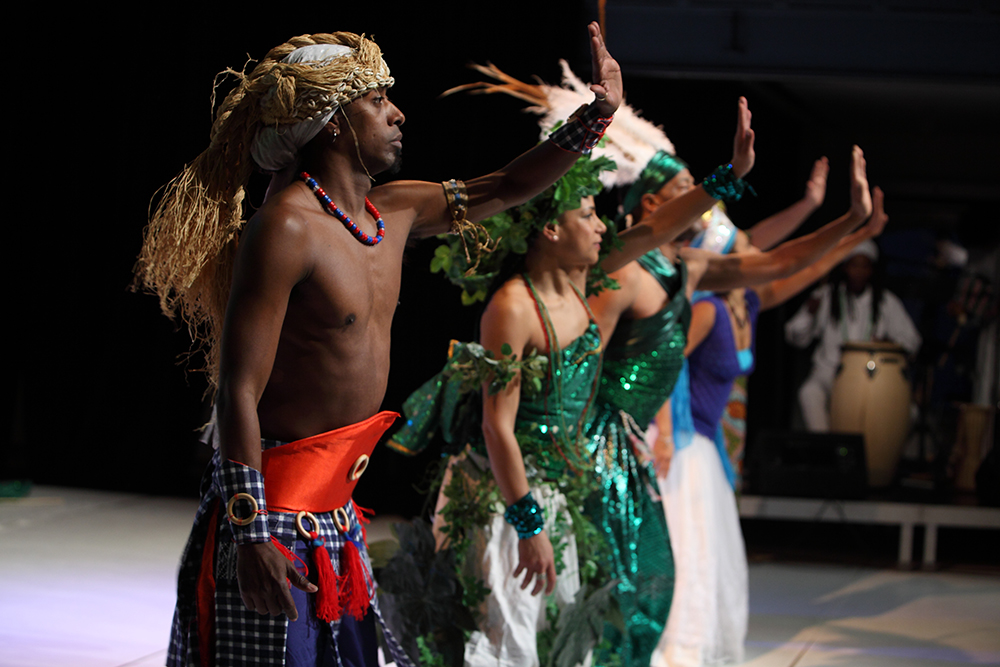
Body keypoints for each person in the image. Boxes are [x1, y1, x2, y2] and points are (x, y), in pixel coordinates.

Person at [134, 26, 623, 667]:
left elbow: (506, 186)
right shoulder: (286, 227)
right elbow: (237, 391)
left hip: (337, 510)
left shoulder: (393, 211)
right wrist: (250, 532)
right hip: (272, 510)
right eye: (377, 100)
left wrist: (597, 116)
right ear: (333, 122)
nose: (398, 114)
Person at [651, 190, 889, 667]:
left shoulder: (748, 304)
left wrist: (857, 234)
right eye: (747, 252)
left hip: (709, 444)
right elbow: (662, 364)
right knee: (692, 553)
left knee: (715, 554)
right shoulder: (708, 311)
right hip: (685, 443)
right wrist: (665, 434)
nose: (760, 258)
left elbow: (805, 267)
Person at [785, 235, 921, 432]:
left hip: (871, 377)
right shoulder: (826, 296)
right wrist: (808, 313)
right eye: (854, 266)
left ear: (871, 270)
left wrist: (890, 343)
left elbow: (912, 340)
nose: (859, 272)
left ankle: (876, 449)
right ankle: (826, 445)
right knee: (809, 393)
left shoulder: (886, 301)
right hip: (830, 372)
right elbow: (795, 337)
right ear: (845, 268)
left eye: (864, 266)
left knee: (910, 412)